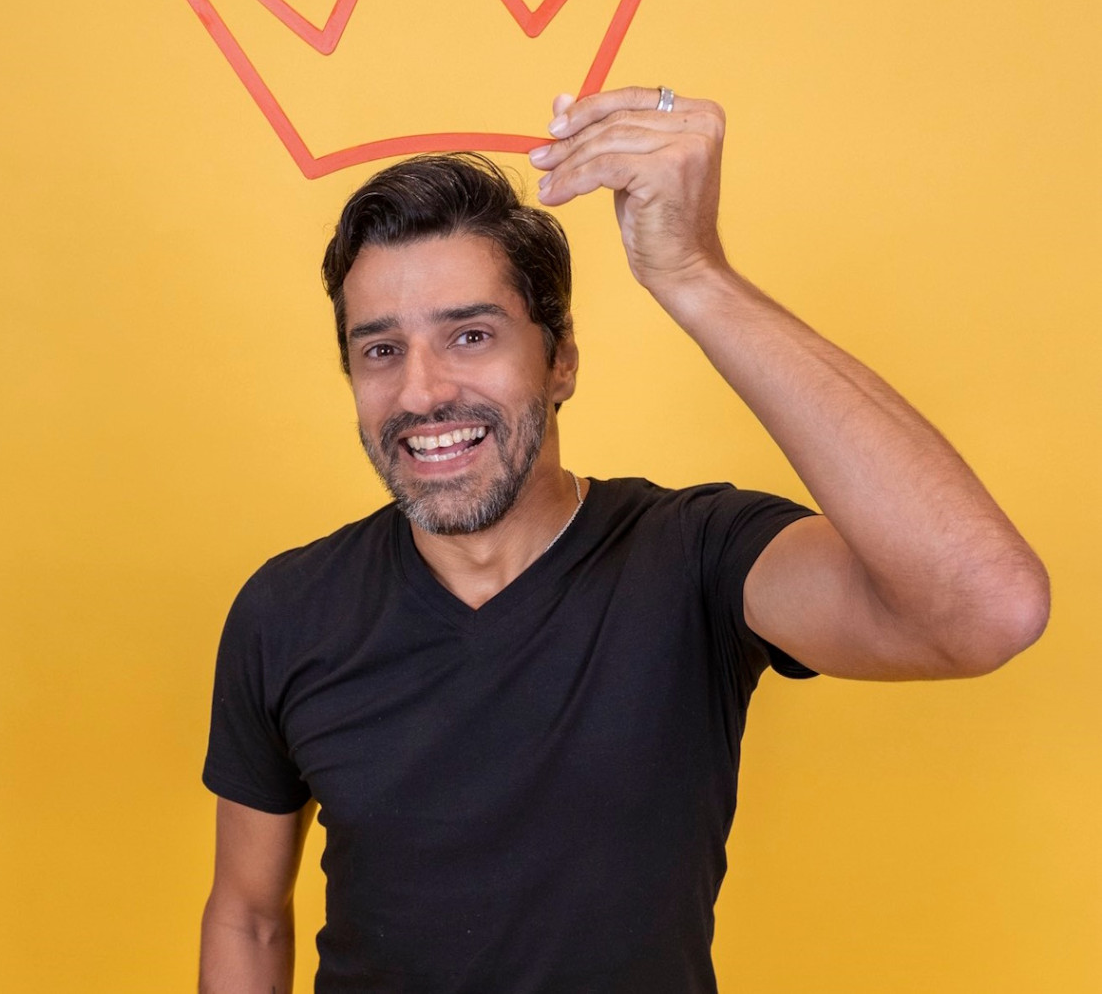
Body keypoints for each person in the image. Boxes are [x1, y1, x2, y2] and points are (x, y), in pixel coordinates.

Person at [197, 87, 1049, 994]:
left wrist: (695, 272)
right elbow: (249, 914)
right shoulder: (285, 610)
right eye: (380, 350)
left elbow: (985, 608)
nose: (421, 392)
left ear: (561, 358)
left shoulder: (696, 558)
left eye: (471, 335)